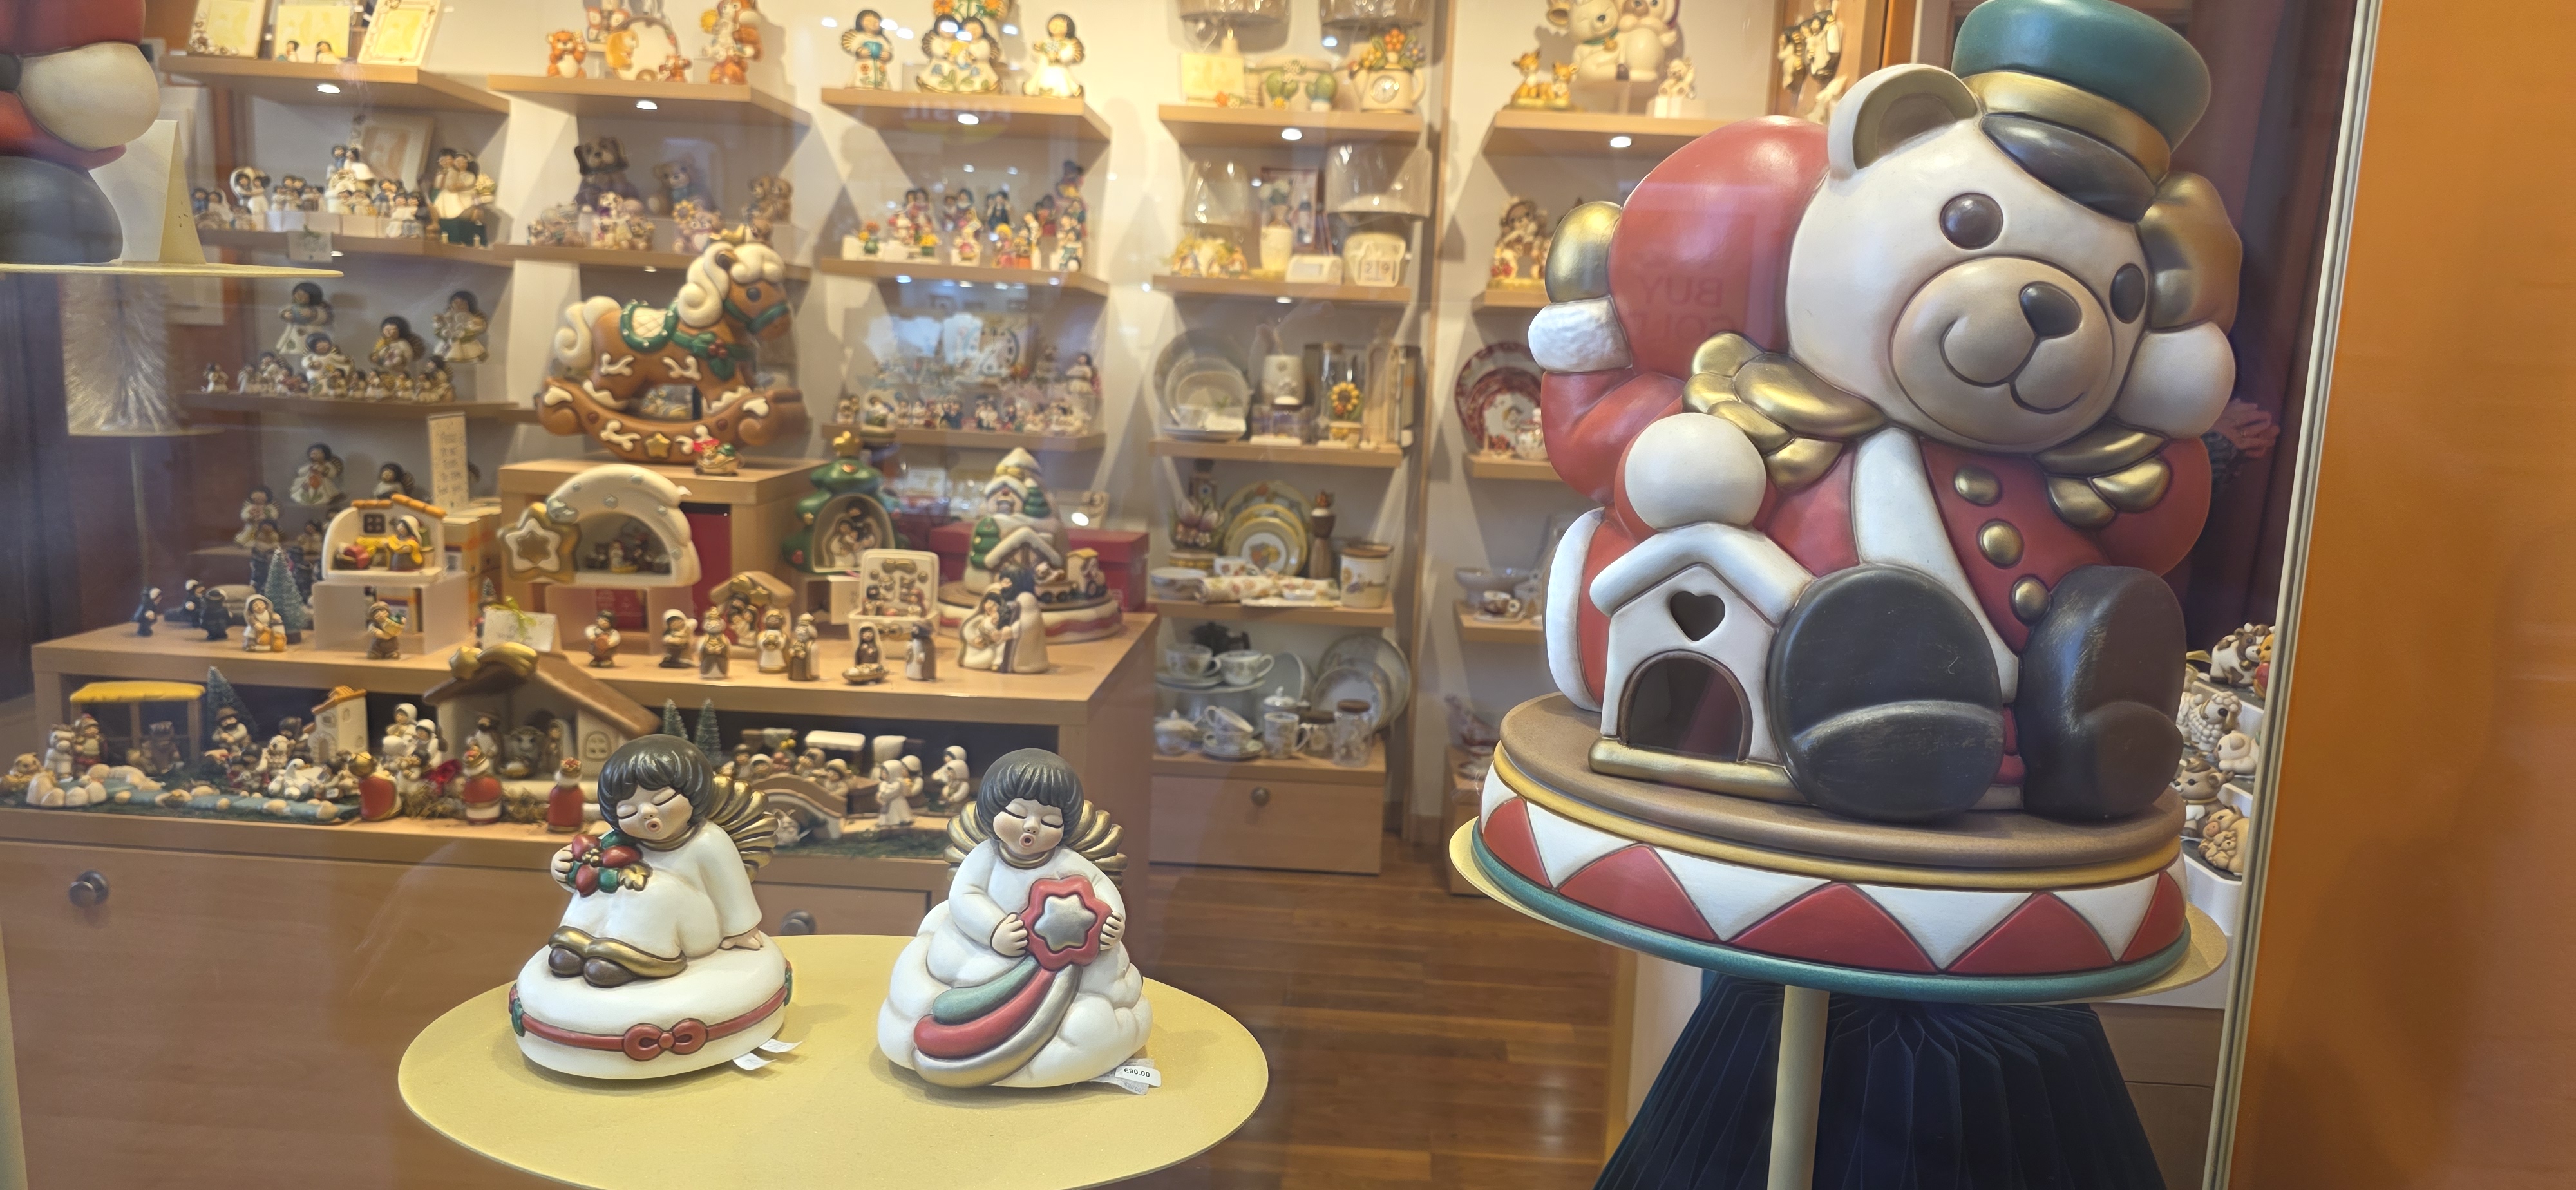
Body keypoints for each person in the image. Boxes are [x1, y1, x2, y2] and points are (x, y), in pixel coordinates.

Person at [876, 749, 1148, 1087]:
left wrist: (1112, 921)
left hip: (1059, 960)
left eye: (1050, 821)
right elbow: (965, 895)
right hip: (985, 951)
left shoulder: (1067, 861)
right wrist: (993, 930)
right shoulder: (985, 857)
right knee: (956, 980)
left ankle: (1040, 1043)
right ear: (992, 811)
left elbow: (1100, 884)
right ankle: (960, 1040)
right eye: (1018, 813)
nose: (1032, 826)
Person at [544, 737, 768, 987]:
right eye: (628, 811)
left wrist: (742, 928)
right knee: (603, 872)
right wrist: (564, 867)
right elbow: (586, 869)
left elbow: (731, 886)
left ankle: (639, 955)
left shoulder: (707, 841)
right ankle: (578, 940)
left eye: (661, 800)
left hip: (690, 925)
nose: (646, 813)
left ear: (693, 794)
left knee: (655, 888)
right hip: (620, 921)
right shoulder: (619, 839)